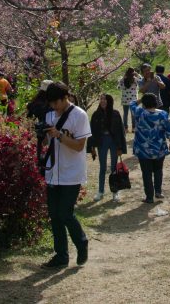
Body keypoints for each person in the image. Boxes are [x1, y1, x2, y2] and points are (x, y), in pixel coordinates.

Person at [41, 81, 91, 269]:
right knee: (54, 215)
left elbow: (79, 146)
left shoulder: (80, 115)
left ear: (65, 98)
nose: (54, 107)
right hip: (53, 170)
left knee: (65, 213)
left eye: (56, 103)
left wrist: (59, 135)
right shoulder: (50, 115)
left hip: (72, 173)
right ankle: (61, 255)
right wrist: (43, 134)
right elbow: (47, 143)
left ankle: (81, 242)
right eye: (51, 104)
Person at [129, 92, 170, 203]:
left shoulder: (139, 112)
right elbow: (169, 132)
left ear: (144, 103)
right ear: (156, 102)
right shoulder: (163, 114)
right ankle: (158, 191)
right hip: (159, 148)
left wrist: (141, 99)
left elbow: (132, 104)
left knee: (146, 173)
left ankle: (149, 196)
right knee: (158, 170)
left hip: (143, 150)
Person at [87, 94, 128, 202]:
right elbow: (92, 131)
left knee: (114, 167)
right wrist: (92, 147)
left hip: (113, 142)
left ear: (109, 101)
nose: (102, 101)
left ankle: (115, 192)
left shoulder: (115, 113)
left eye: (105, 99)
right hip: (102, 142)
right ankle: (100, 191)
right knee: (103, 167)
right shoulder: (96, 114)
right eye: (101, 99)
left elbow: (120, 131)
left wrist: (120, 147)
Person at [156, 64, 170, 128]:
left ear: (156, 70)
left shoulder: (152, 79)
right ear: (163, 71)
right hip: (166, 100)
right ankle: (168, 126)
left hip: (155, 101)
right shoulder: (166, 79)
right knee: (166, 115)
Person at [120, 68, 138, 132]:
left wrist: (123, 77)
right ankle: (134, 128)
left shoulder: (123, 80)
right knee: (133, 114)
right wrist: (137, 75)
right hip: (133, 99)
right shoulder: (135, 79)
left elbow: (119, 87)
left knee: (125, 114)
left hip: (125, 99)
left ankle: (125, 128)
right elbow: (141, 80)